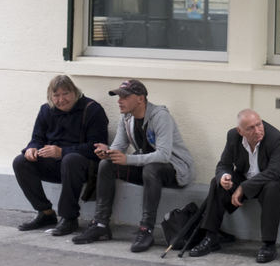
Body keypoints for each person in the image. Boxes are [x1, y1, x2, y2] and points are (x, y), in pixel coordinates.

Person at [73, 78, 195, 252]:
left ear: (140, 98)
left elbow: (163, 155)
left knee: (151, 169)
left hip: (175, 169)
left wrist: (128, 159)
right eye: (118, 97)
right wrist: (108, 152)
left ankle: (146, 230)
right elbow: (119, 146)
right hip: (146, 168)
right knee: (106, 164)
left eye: (125, 97)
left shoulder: (161, 116)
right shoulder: (126, 117)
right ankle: (100, 224)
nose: (119, 101)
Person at [186, 109, 280, 263]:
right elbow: (224, 164)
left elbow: (274, 172)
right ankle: (211, 236)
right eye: (251, 128)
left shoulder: (275, 138)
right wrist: (224, 177)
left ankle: (269, 245)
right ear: (240, 131)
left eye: (259, 124)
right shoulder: (233, 136)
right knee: (216, 183)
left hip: (278, 180)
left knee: (271, 188)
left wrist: (243, 187)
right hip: (247, 177)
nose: (258, 130)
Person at [12, 74, 110, 236]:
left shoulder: (92, 109)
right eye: (56, 95)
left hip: (83, 166)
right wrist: (32, 149)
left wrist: (62, 152)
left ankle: (69, 217)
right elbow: (37, 138)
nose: (61, 100)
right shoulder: (46, 110)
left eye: (66, 94)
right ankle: (45, 212)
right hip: (55, 164)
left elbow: (97, 146)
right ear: (50, 97)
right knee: (20, 161)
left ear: (75, 92)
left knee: (70, 159)